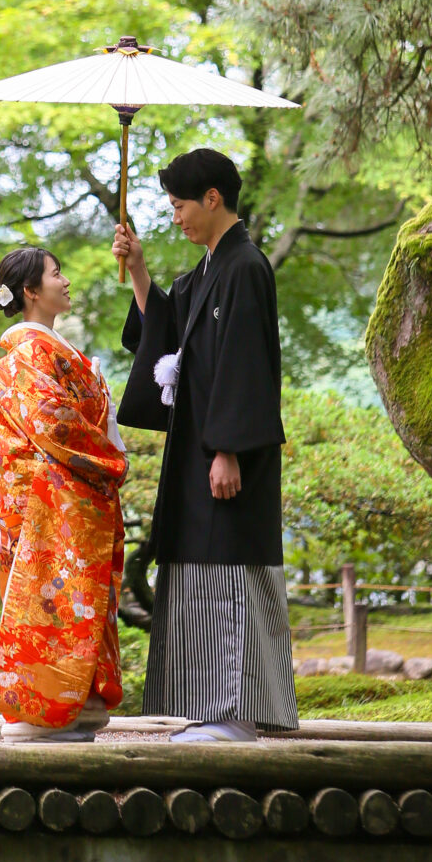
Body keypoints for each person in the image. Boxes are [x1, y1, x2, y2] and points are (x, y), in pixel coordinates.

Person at [113, 148, 298, 742]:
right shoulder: (210, 270)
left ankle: (237, 713)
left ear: (212, 198)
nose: (176, 218)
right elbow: (168, 329)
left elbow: (246, 366)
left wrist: (228, 449)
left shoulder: (245, 266)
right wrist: (139, 270)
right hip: (201, 453)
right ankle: (211, 709)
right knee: (199, 572)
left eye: (179, 206)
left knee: (231, 573)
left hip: (225, 455)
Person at [0, 246, 128, 742]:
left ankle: (69, 705)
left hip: (59, 497)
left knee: (62, 603)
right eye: (55, 274)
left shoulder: (43, 351)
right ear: (31, 292)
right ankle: (45, 712)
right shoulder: (30, 354)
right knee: (50, 602)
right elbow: (54, 424)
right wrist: (110, 459)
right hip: (52, 500)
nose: (65, 281)